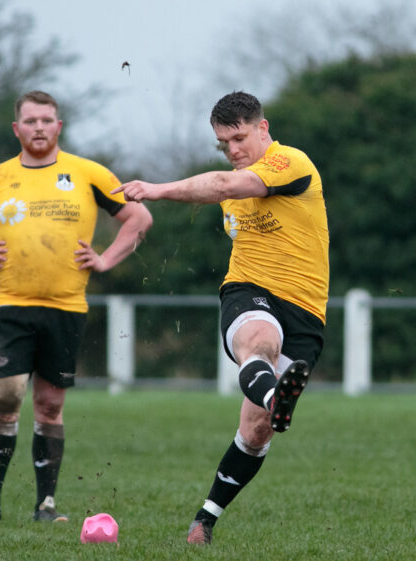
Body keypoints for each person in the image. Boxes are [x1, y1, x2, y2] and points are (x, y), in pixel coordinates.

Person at [114, 91, 329, 544]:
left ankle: (205, 519)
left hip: (306, 309)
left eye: (239, 138)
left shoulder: (290, 162)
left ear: (263, 128)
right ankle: (275, 395)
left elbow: (225, 187)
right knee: (259, 343)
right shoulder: (236, 181)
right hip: (247, 290)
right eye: (223, 143)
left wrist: (157, 189)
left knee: (256, 430)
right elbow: (225, 186)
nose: (232, 149)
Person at [0, 90, 152, 524]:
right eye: (30, 121)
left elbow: (139, 218)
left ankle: (46, 506)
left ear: (58, 126)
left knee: (50, 404)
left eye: (46, 120)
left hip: (66, 308)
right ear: (17, 129)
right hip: (11, 304)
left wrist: (105, 259)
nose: (38, 128)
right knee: (7, 394)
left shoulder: (87, 173)